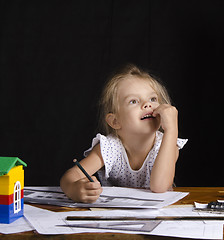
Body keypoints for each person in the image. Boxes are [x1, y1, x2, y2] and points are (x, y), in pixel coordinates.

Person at [60, 64, 187, 203]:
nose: (147, 105)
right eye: (133, 101)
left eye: (153, 99)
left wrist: (171, 129)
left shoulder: (169, 143)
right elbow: (70, 177)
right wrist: (74, 189)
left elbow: (159, 186)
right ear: (115, 121)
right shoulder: (110, 147)